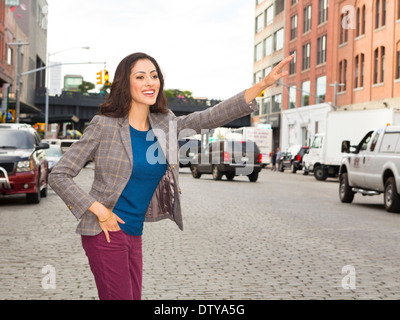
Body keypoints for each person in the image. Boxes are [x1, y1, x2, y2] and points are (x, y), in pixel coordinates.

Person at [48, 52, 294, 300]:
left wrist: (262, 85)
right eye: (141, 76)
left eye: (154, 76)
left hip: (133, 233)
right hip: (106, 232)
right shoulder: (105, 125)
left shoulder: (165, 124)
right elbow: (59, 174)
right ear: (125, 83)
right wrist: (98, 210)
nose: (149, 82)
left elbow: (211, 116)